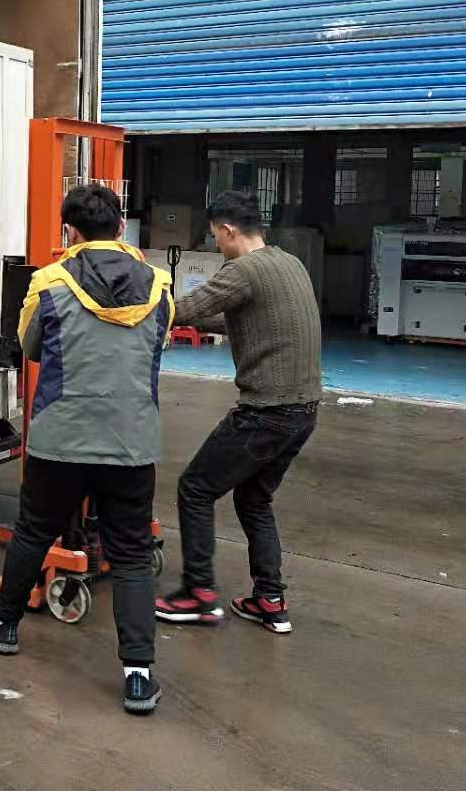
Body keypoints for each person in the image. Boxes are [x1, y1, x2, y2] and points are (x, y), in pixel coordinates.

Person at [0, 184, 175, 716]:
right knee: (131, 554)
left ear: (71, 232)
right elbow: (158, 344)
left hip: (60, 439)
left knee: (33, 531)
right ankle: (138, 676)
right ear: (121, 227)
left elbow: (30, 346)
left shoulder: (49, 282)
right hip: (132, 442)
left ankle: (4, 625)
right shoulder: (160, 286)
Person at [155, 190, 321, 635]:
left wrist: (140, 302)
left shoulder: (242, 270)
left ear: (228, 231)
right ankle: (270, 599)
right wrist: (190, 319)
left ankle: (198, 594)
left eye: (215, 236)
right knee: (254, 499)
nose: (216, 244)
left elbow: (186, 308)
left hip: (266, 412)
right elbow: (238, 318)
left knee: (195, 487)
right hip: (304, 412)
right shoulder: (289, 263)